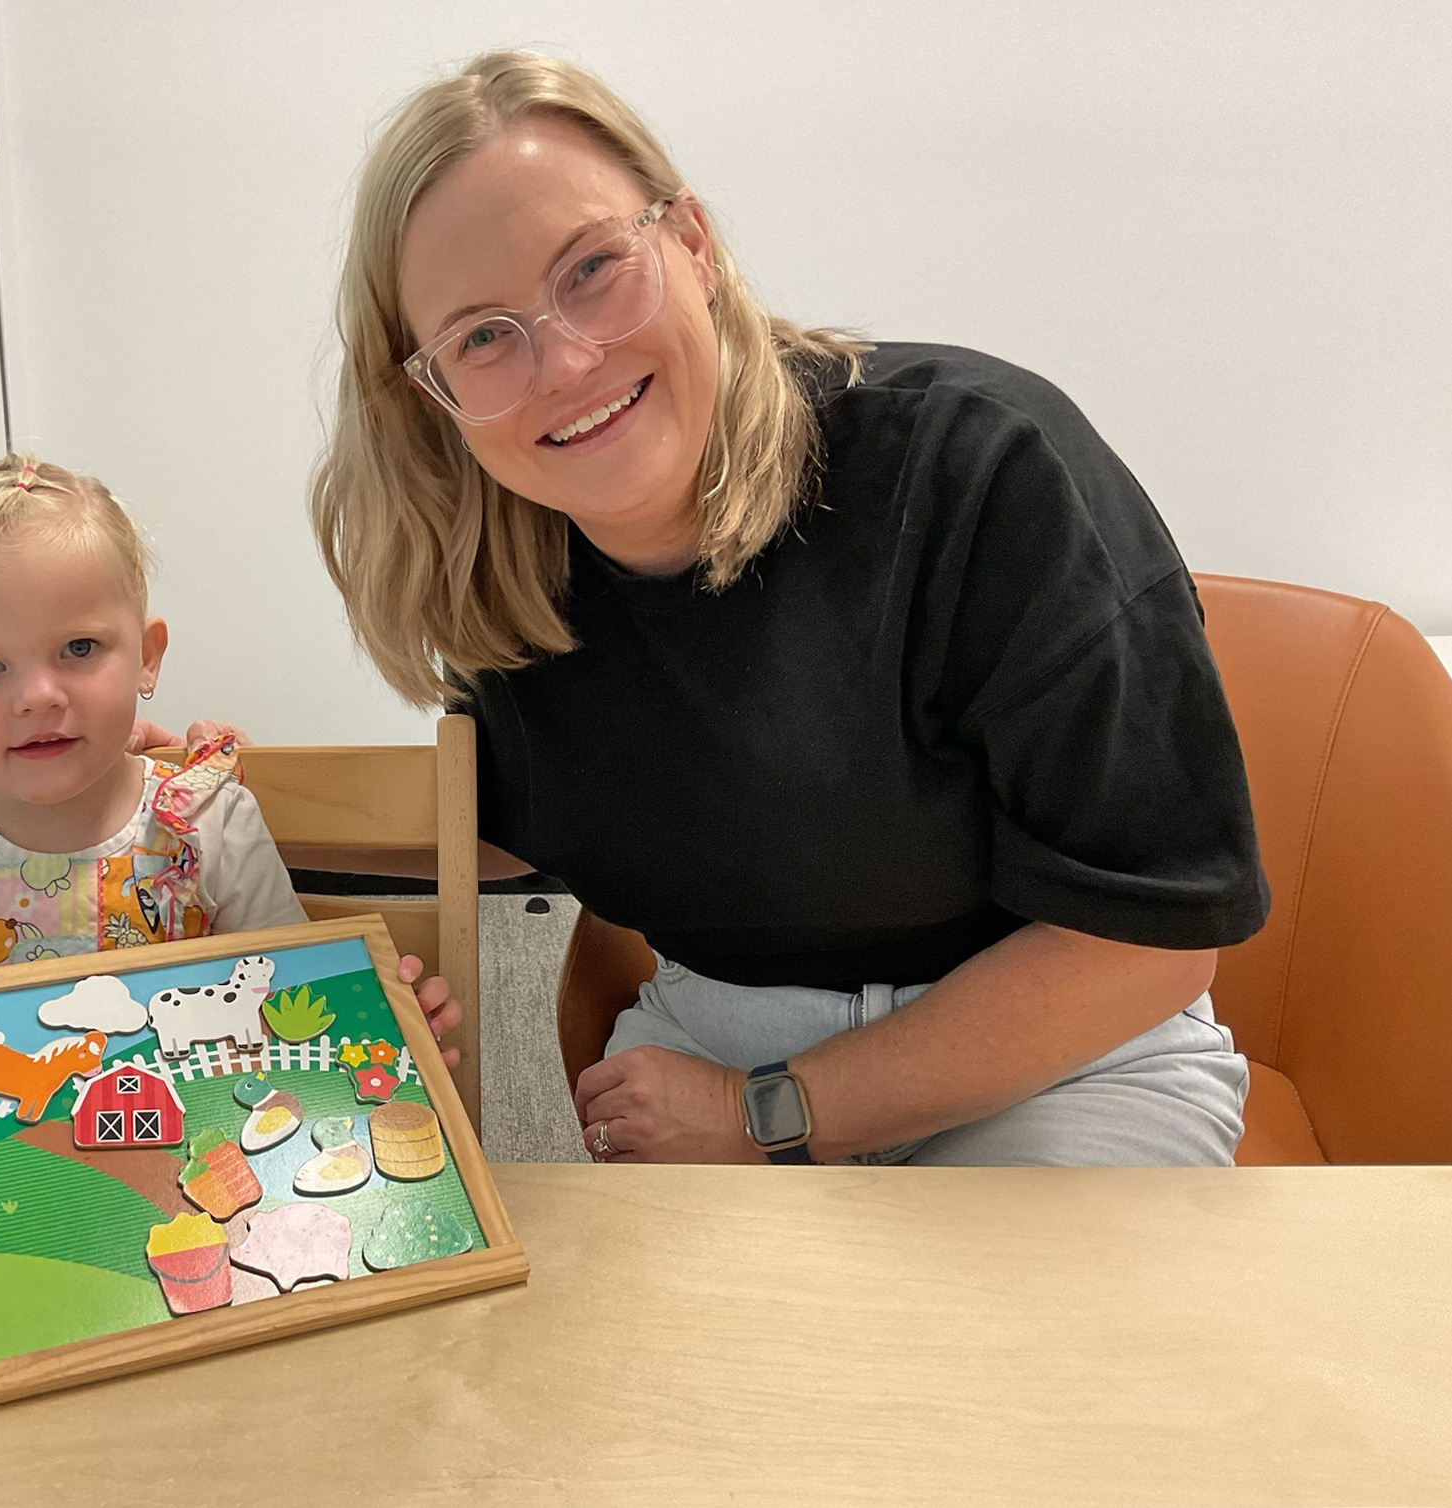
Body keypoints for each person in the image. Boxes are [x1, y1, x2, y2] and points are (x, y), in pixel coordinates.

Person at [311, 53, 1269, 1166]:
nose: (565, 360)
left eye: (591, 268)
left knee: (986, 1349)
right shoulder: (509, 576)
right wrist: (155, 803)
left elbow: (1152, 942)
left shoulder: (984, 467)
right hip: (709, 1041)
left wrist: (766, 1108)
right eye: (480, 335)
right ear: (432, 399)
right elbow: (481, 827)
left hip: (1056, 1054)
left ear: (694, 246)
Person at [0, 455, 459, 1130]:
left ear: (146, 657)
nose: (37, 695)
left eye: (79, 649)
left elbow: (281, 1022)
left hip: (193, 1180)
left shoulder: (208, 822)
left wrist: (377, 1035)